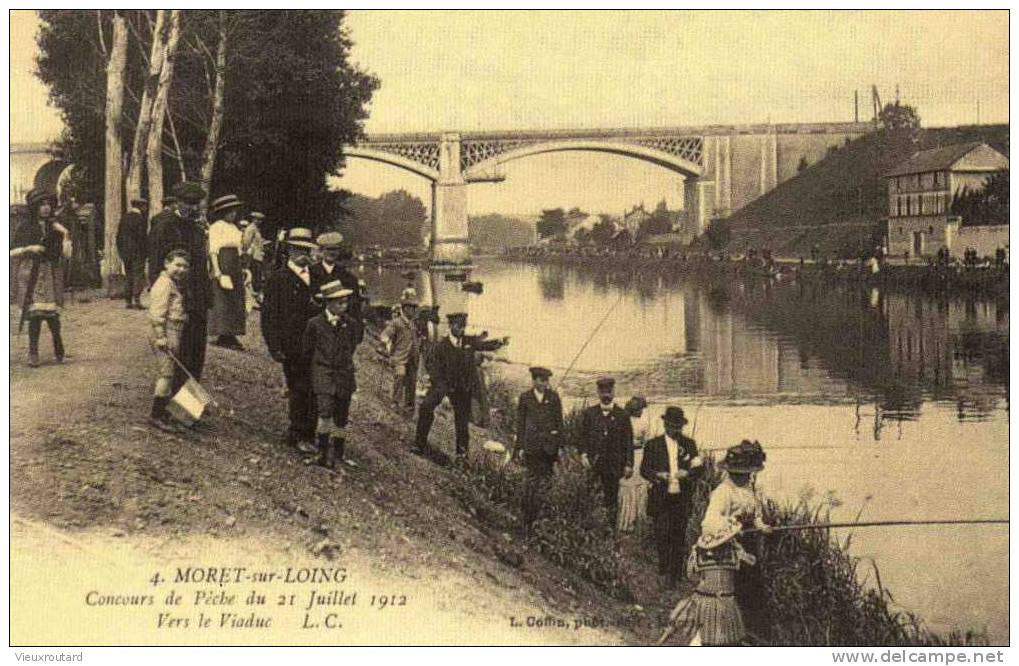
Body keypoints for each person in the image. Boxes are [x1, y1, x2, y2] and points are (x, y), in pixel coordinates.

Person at [667, 440, 772, 646]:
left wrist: (761, 526)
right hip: (728, 547)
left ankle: (749, 634)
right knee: (734, 591)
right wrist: (733, 526)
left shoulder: (750, 489)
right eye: (738, 471)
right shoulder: (723, 492)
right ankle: (727, 635)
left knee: (752, 588)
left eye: (744, 471)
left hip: (749, 545)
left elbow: (756, 513)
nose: (741, 475)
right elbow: (710, 522)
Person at [414, 312, 507, 459]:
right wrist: (442, 393)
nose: (461, 330)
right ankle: (419, 444)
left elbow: (483, 344)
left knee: (462, 421)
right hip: (442, 385)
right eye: (458, 326)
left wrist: (500, 342)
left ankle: (462, 456)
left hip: (462, 388)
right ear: (451, 326)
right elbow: (433, 368)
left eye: (463, 326)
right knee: (426, 406)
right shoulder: (441, 346)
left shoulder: (468, 342)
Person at [261, 228, 320, 452]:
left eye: (306, 250)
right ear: (289, 250)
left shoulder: (316, 277)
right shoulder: (278, 278)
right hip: (291, 344)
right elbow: (269, 315)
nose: (302, 254)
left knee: (315, 388)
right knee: (299, 387)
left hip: (315, 343)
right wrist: (274, 346)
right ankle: (298, 433)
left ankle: (309, 433)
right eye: (298, 249)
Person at [147, 181, 210, 388]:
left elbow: (201, 266)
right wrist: (168, 297)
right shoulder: (164, 224)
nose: (192, 208)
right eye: (188, 203)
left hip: (198, 300)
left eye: (196, 204)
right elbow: (157, 267)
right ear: (177, 202)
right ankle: (172, 403)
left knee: (196, 353)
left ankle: (190, 403)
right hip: (178, 300)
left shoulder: (198, 229)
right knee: (178, 355)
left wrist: (205, 297)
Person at [640, 406, 704, 588]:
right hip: (661, 497)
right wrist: (658, 475)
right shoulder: (653, 445)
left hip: (681, 498)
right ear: (666, 425)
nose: (676, 430)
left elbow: (699, 468)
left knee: (678, 534)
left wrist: (688, 473)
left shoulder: (689, 444)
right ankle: (664, 569)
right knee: (661, 533)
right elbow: (644, 469)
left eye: (679, 426)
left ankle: (676, 574)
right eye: (673, 426)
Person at [303, 280, 363, 468]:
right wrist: (320, 368)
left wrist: (343, 363)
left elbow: (352, 345)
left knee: (341, 417)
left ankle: (337, 454)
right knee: (325, 412)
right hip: (324, 374)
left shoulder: (350, 324)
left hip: (344, 374)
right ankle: (321, 453)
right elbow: (307, 350)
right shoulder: (315, 324)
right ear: (328, 303)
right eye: (340, 303)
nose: (344, 306)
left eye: (345, 302)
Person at [11, 189, 72, 368]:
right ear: (35, 207)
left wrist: (65, 234)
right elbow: (11, 251)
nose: (46, 208)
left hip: (50, 274)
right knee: (35, 316)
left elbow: (66, 254)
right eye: (41, 205)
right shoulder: (25, 227)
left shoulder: (56, 228)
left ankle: (58, 347)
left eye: (48, 205)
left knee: (53, 318)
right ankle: (33, 352)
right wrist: (30, 248)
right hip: (30, 274)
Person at [577, 377, 634, 523]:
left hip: (614, 466)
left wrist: (629, 464)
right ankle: (592, 529)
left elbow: (628, 441)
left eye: (609, 392)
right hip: (594, 465)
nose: (606, 395)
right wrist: (583, 455)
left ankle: (610, 531)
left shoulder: (623, 415)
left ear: (614, 392)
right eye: (603, 392)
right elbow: (582, 438)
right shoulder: (590, 413)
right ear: (598, 393)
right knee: (592, 496)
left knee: (612, 499)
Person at [513, 366, 564, 525]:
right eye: (541, 380)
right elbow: (520, 424)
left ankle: (544, 519)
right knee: (531, 483)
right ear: (534, 380)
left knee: (547, 482)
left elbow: (559, 424)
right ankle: (528, 518)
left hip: (549, 449)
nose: (545, 384)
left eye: (547, 380)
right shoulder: (525, 398)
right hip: (531, 448)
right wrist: (519, 448)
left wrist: (559, 446)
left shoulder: (554, 398)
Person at [148, 250, 191, 431]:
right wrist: (161, 336)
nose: (181, 270)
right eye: (177, 265)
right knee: (166, 374)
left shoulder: (172, 283)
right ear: (166, 264)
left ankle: (163, 411)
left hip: (174, 330)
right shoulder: (164, 284)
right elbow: (157, 312)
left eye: (185, 266)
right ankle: (156, 415)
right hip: (166, 331)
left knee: (170, 372)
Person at [206, 194, 248, 349]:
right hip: (223, 263)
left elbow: (239, 249)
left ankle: (232, 332)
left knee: (236, 298)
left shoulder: (234, 228)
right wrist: (217, 270)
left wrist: (243, 267)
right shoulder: (217, 226)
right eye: (230, 211)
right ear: (223, 212)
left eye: (235, 211)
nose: (233, 214)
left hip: (234, 264)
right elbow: (213, 251)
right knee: (223, 298)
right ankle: (223, 334)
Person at [380, 291, 422, 413]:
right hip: (399, 357)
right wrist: (384, 341)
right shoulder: (396, 322)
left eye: (415, 308)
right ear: (405, 308)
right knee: (400, 375)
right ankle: (395, 402)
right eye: (412, 308)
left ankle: (409, 407)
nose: (414, 310)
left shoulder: (413, 324)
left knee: (412, 382)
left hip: (412, 359)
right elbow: (386, 334)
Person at [311, 231, 364, 325]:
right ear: (322, 251)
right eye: (328, 249)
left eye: (335, 249)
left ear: (339, 251)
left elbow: (355, 309)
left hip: (340, 326)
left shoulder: (348, 277)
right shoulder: (310, 273)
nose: (332, 252)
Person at [617, 395, 651, 532]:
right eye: (642, 409)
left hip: (625, 456)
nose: (642, 411)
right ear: (637, 410)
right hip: (638, 455)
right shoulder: (643, 423)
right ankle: (638, 520)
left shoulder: (622, 421)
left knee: (627, 488)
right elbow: (647, 442)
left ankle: (624, 521)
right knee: (640, 487)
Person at [117, 197, 149, 309]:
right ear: (141, 206)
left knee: (128, 275)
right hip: (138, 252)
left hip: (125, 252)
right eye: (144, 206)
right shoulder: (140, 219)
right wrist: (146, 251)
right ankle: (137, 300)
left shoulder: (124, 218)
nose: (145, 208)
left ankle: (128, 301)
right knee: (138, 275)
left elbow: (119, 236)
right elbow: (141, 237)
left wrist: (121, 251)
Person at [243, 211, 266, 302]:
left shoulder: (256, 229)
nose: (259, 221)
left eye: (260, 220)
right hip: (253, 255)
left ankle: (254, 297)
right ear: (253, 219)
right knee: (254, 276)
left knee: (257, 276)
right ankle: (252, 297)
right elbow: (246, 243)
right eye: (257, 219)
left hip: (258, 255)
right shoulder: (251, 229)